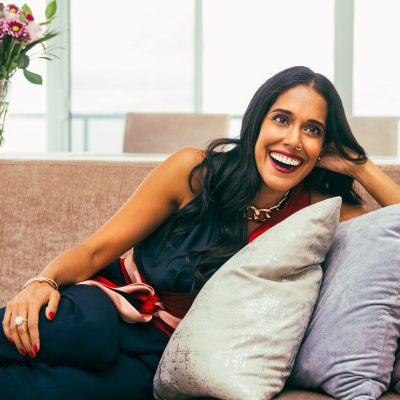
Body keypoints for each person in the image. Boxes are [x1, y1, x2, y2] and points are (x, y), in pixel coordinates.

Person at [1, 66, 399, 399]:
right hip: (102, 308)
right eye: (281, 119)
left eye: (311, 130)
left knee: (34, 391)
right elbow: (96, 249)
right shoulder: (194, 171)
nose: (292, 140)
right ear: (256, 121)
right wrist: (43, 280)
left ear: (325, 143)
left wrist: (360, 167)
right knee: (28, 332)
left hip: (159, 357)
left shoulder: (321, 210)